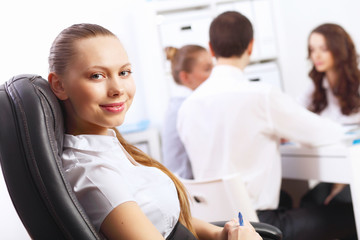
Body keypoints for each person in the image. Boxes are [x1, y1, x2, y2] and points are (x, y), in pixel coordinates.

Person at [47, 23, 261, 240]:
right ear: (59, 85)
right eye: (96, 76)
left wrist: (220, 234)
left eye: (124, 72)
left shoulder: (109, 147)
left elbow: (163, 220)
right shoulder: (95, 174)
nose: (118, 89)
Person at [177, 11, 357, 240]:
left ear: (211, 49)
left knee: (292, 197)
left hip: (214, 227)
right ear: (251, 47)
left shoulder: (187, 106)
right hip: (257, 226)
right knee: (351, 213)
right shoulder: (261, 95)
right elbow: (324, 133)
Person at [299, 23, 360, 215]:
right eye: (312, 49)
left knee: (341, 205)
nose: (315, 56)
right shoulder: (316, 86)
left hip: (355, 169)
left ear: (338, 50)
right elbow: (295, 114)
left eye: (323, 49)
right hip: (336, 168)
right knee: (307, 202)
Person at [162, 45, 213, 179]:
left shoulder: (179, 102)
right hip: (189, 187)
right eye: (208, 69)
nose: (214, 74)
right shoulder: (186, 106)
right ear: (185, 77)